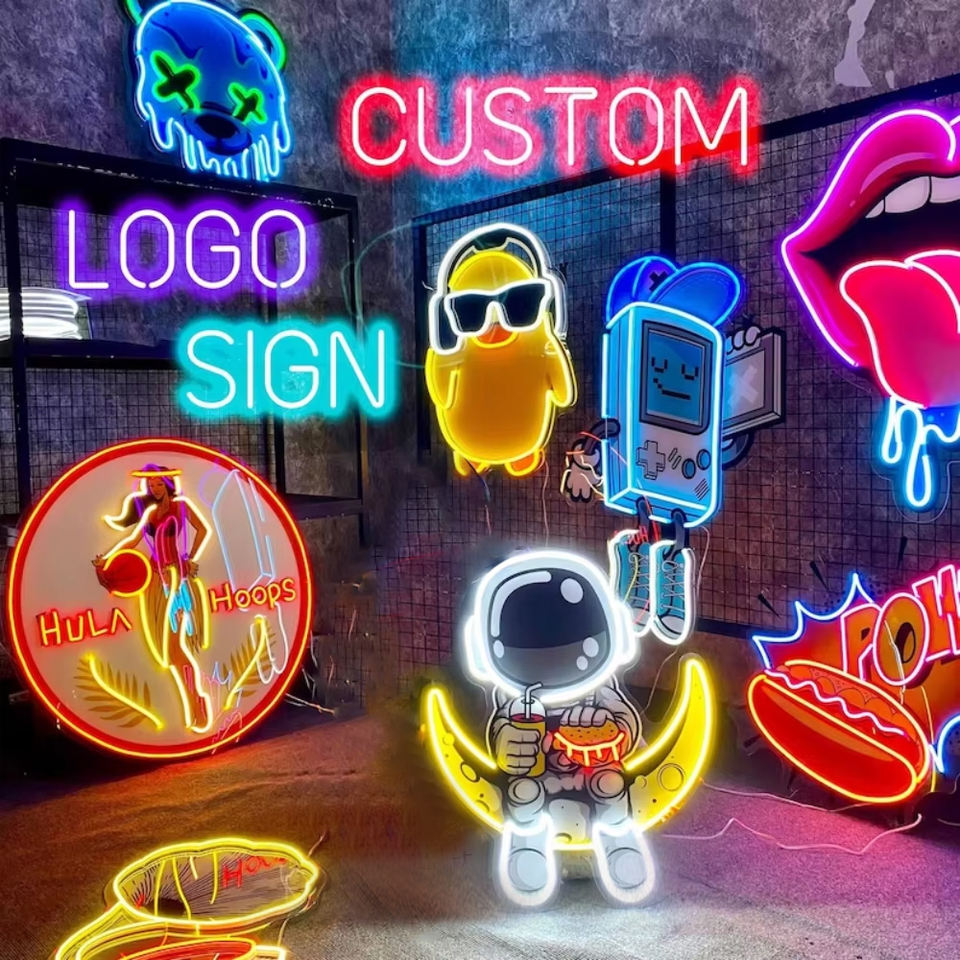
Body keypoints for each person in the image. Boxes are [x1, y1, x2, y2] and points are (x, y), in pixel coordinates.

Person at [465, 550, 654, 905]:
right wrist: (509, 744)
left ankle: (619, 839)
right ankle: (527, 844)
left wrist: (615, 730)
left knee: (611, 783)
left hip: (592, 771)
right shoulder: (515, 700)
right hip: (538, 778)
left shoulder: (600, 689)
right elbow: (501, 732)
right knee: (522, 791)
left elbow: (626, 722)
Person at [93, 465, 213, 733]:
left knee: (174, 649)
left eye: (159, 484)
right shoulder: (150, 513)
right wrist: (107, 558)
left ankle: (197, 703)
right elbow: (132, 540)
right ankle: (196, 703)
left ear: (168, 484)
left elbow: (203, 530)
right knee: (168, 652)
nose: (155, 489)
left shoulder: (181, 507)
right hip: (156, 583)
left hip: (176, 581)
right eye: (151, 485)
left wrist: (191, 558)